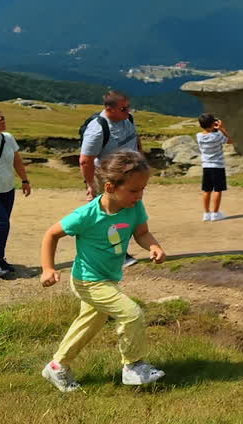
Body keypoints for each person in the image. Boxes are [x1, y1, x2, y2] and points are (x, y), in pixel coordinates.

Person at [39, 151, 167, 392]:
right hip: (88, 280)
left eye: (142, 190)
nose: (139, 196)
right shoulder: (87, 215)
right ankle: (133, 366)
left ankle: (57, 366)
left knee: (90, 322)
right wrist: (48, 268)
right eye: (133, 190)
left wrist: (154, 246)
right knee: (131, 314)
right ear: (109, 187)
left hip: (107, 278)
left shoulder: (134, 207)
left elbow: (141, 233)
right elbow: (51, 234)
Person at [79, 91, 142, 267]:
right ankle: (115, 255)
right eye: (124, 108)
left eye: (128, 107)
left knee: (128, 214)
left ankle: (119, 252)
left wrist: (141, 161)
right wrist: (91, 184)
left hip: (131, 177)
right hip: (110, 179)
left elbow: (135, 140)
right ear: (109, 108)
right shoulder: (97, 129)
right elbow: (85, 160)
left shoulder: (127, 119)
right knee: (110, 218)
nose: (128, 111)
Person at [0, 109, 31, 279]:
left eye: (2, 119)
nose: (2, 122)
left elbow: (16, 160)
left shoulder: (8, 138)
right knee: (1, 224)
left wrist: (24, 180)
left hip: (7, 189)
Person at [196, 113, 231, 221]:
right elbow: (229, 141)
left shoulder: (199, 136)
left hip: (206, 166)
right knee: (217, 190)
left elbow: (207, 132)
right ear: (213, 124)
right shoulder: (218, 135)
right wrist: (222, 128)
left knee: (207, 190)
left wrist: (214, 128)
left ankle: (206, 213)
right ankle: (215, 213)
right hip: (218, 166)